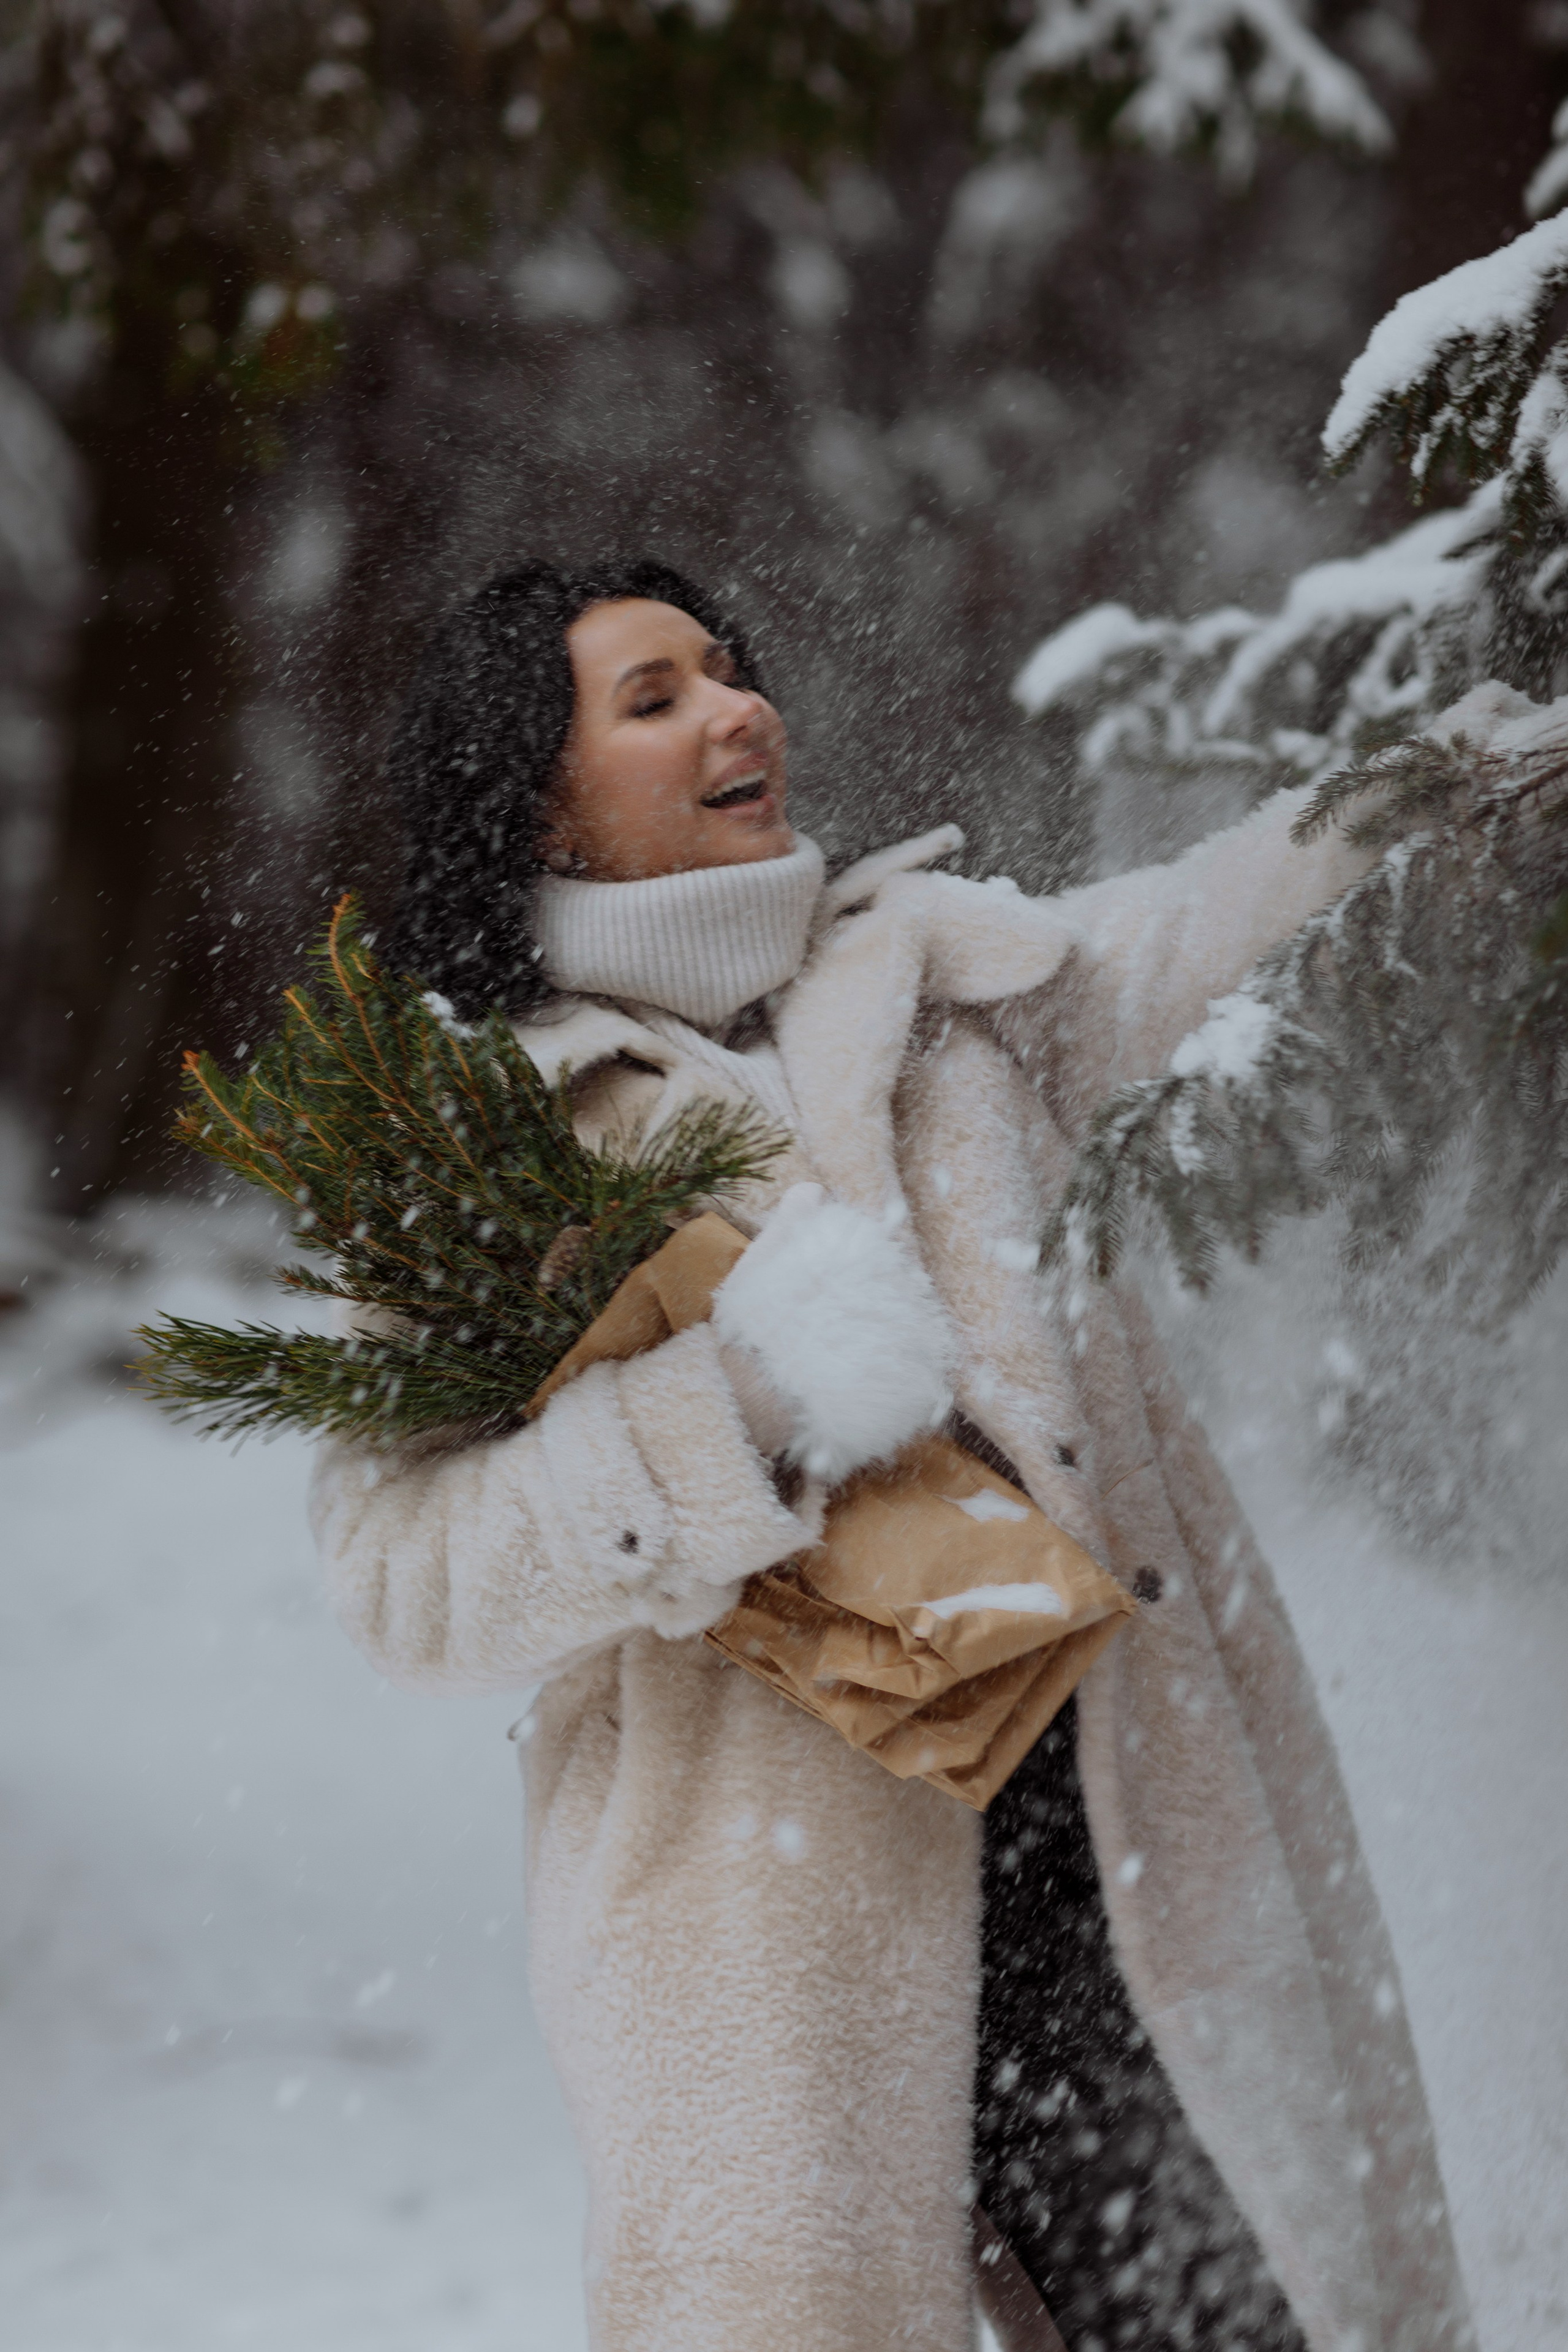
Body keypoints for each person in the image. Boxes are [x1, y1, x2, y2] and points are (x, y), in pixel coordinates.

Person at [311, 559, 1474, 2352]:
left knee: (1241, 2316)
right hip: (768, 1970)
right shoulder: (488, 1145)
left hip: (1114, 1859)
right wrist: (738, 1411)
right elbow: (406, 1578)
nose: (736, 710)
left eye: (729, 671)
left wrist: (1484, 751)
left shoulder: (951, 995)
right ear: (536, 795)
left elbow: (1224, 906)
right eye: (656, 698)